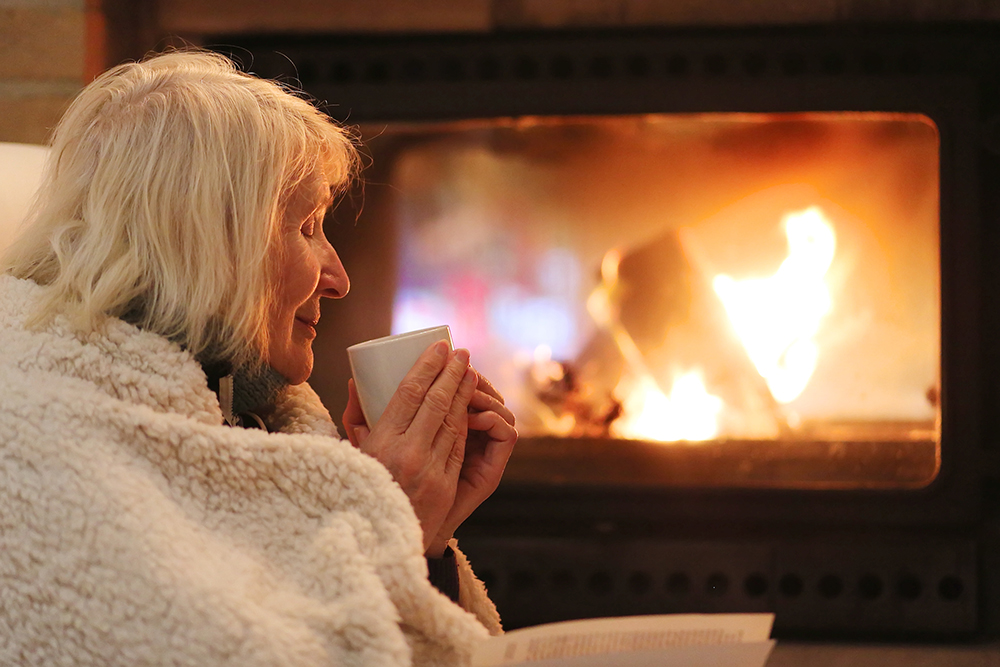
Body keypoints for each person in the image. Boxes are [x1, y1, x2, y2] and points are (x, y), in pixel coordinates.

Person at [0, 49, 517, 666]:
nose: (339, 278)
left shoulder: (251, 406)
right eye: (306, 228)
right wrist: (390, 514)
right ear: (206, 244)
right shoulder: (33, 444)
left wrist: (416, 535)